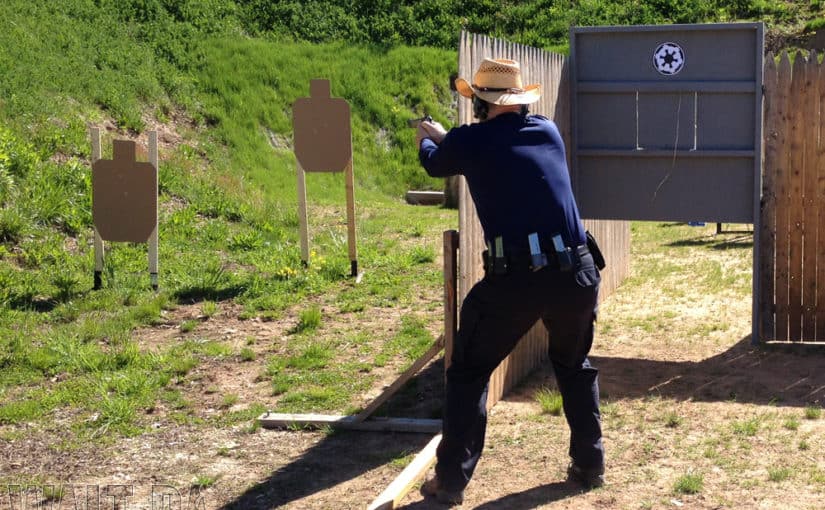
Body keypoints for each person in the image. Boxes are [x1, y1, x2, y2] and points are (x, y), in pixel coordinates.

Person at [415, 58, 605, 505]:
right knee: (574, 366)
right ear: (520, 100)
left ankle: (450, 482)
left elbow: (437, 163)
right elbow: (489, 150)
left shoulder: (470, 141)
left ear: (480, 102)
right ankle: (590, 463)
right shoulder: (547, 132)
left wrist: (426, 138)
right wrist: (449, 139)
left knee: (467, 373)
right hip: (576, 274)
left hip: (516, 280)